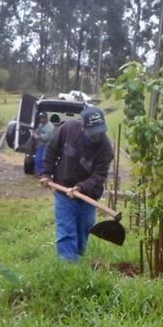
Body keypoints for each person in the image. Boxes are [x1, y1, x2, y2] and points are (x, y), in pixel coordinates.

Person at [43, 104, 113, 260]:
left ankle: (78, 259)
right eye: (93, 133)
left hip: (88, 195)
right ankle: (68, 265)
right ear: (83, 127)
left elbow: (99, 176)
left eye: (100, 132)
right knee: (66, 231)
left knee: (84, 230)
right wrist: (47, 173)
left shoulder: (106, 148)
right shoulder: (68, 129)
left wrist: (81, 187)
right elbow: (52, 150)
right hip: (63, 190)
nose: (97, 137)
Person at [34, 113, 61, 178]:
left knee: (44, 159)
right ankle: (38, 173)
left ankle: (44, 174)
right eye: (40, 118)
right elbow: (38, 130)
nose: (41, 119)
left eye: (42, 117)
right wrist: (35, 132)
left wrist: (38, 136)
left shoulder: (50, 126)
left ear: (46, 118)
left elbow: (48, 137)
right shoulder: (41, 125)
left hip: (48, 145)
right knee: (38, 159)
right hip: (41, 145)